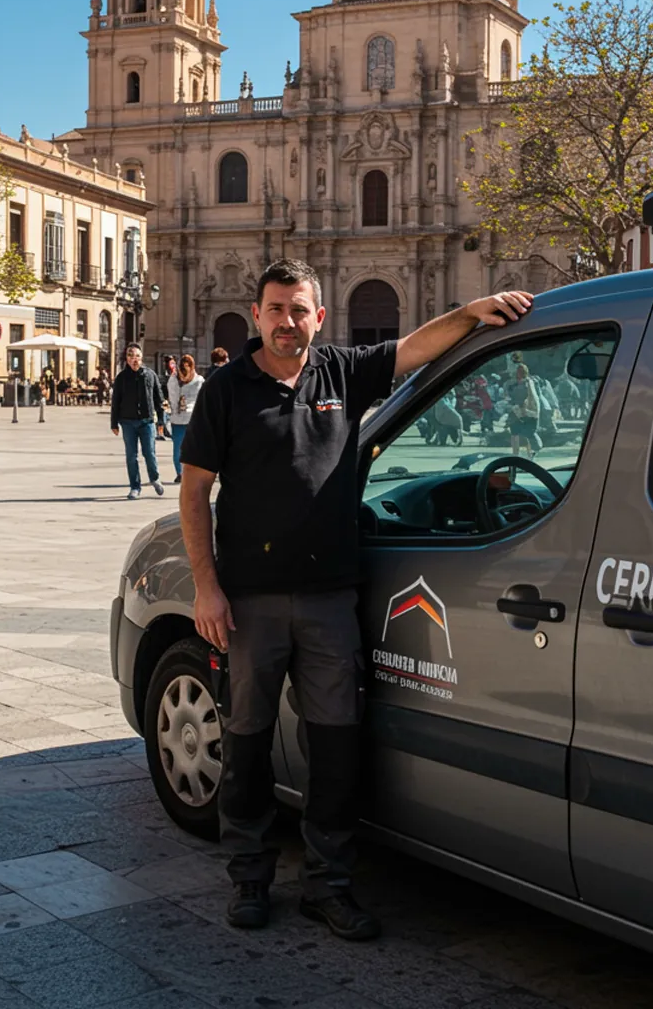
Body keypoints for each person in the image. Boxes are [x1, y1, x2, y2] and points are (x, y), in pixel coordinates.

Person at [179, 257, 531, 939]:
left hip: (329, 600)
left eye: (299, 310)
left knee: (336, 745)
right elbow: (195, 494)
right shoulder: (226, 389)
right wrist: (206, 588)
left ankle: (328, 883)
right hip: (249, 602)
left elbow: (412, 351)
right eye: (276, 309)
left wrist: (471, 311)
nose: (288, 321)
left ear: (320, 315)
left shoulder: (340, 371)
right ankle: (250, 877)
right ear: (257, 315)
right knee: (247, 741)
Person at [110, 343, 167, 499]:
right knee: (131, 455)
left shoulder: (150, 375)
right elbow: (116, 401)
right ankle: (135, 487)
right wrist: (114, 423)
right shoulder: (121, 378)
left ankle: (154, 478)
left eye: (137, 356)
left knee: (149, 453)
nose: (134, 359)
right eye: (131, 356)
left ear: (141, 358)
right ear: (127, 359)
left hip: (147, 421)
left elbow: (159, 398)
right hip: (127, 422)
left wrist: (161, 420)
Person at [166, 354, 204, 484]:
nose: (184, 378)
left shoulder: (199, 381)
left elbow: (202, 401)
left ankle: (193, 473)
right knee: (178, 448)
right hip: (177, 419)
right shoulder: (173, 381)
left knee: (195, 448)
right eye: (181, 375)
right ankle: (180, 473)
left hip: (193, 420)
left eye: (186, 375)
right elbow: (173, 399)